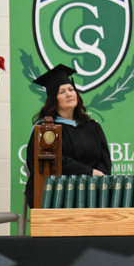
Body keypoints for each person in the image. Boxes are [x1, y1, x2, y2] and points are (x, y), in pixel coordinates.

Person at [24, 64, 111, 207]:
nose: (69, 94)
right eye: (62, 92)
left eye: (71, 89)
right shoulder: (45, 129)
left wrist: (98, 177)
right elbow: (52, 162)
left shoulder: (92, 126)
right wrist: (89, 173)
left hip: (92, 189)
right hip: (56, 192)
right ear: (54, 99)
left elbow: (104, 159)